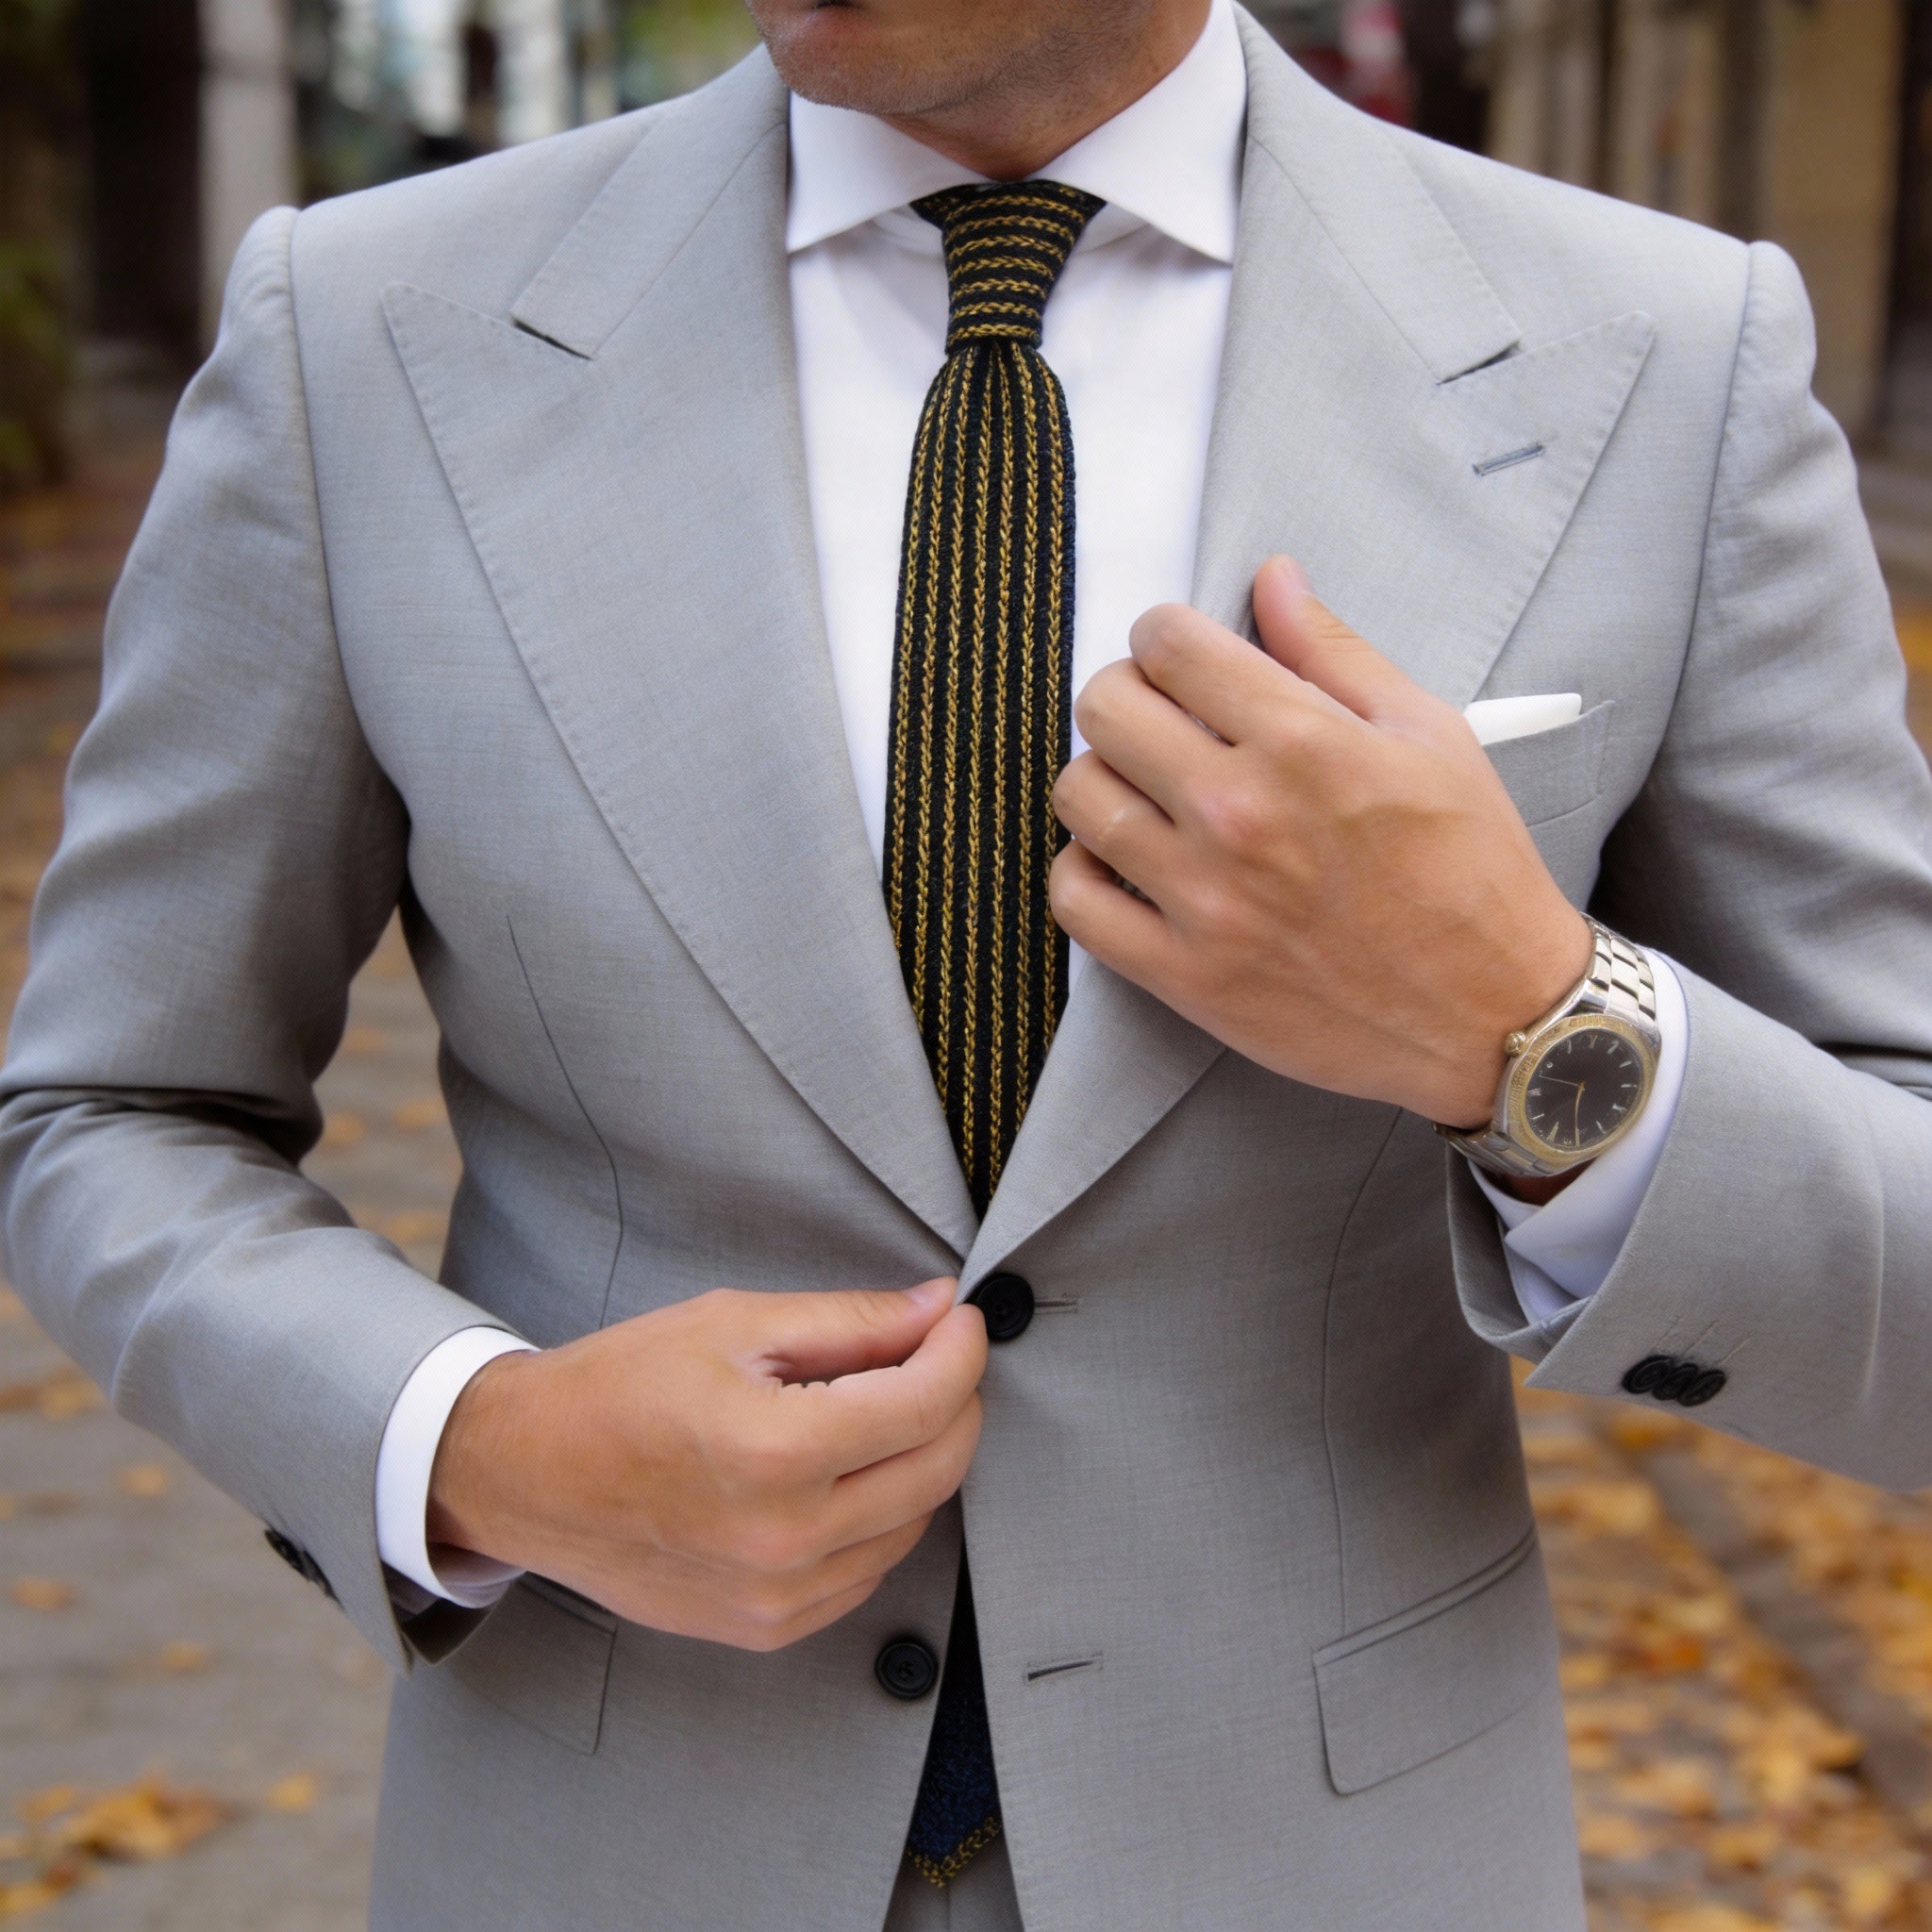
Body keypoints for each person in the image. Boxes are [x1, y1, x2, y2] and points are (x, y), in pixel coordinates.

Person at [5, 0, 1931, 1925]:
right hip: (612, 1847)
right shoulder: (363, 334)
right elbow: (109, 1108)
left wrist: (1536, 1032)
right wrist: (470, 1445)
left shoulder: (1664, 363)